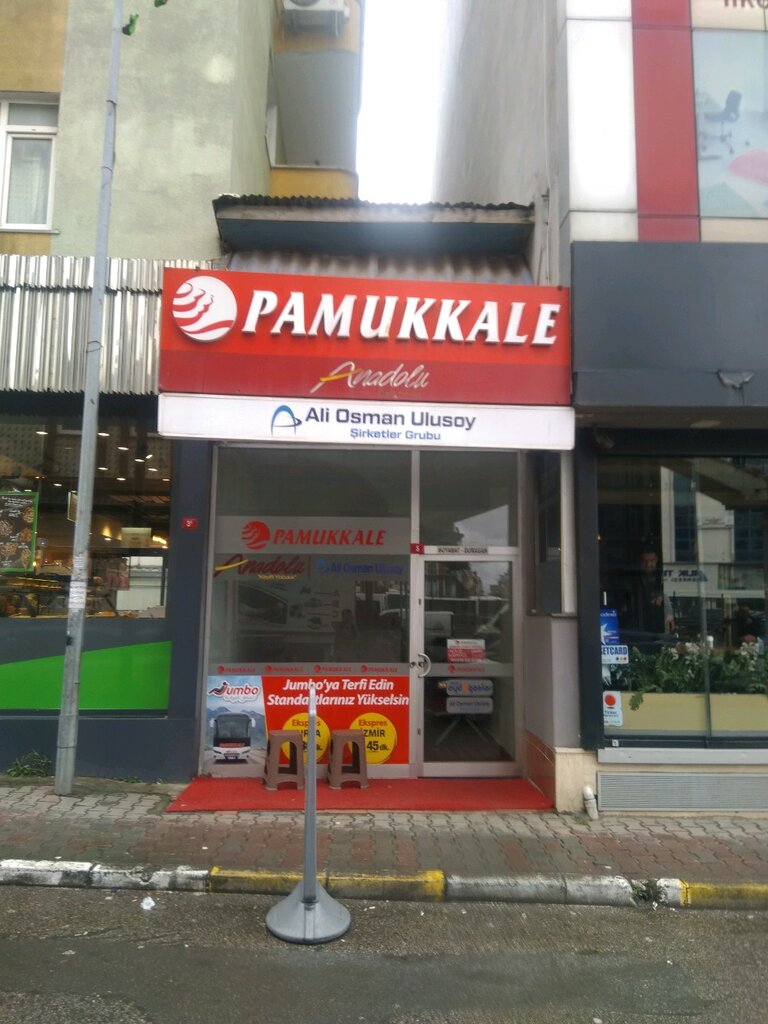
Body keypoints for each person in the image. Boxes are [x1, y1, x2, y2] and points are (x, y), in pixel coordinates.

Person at [621, 545, 675, 635]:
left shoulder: (664, 578)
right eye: (644, 561)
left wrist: (669, 612)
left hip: (660, 628)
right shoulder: (632, 581)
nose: (648, 565)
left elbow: (669, 597)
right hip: (638, 628)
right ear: (640, 562)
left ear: (657, 560)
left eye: (651, 561)